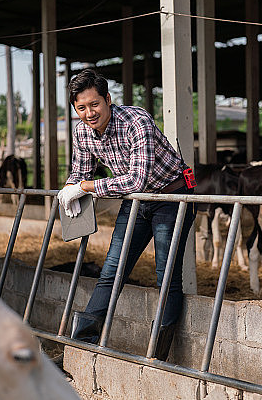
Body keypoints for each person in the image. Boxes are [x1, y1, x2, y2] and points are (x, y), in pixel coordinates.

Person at [57, 69, 195, 361]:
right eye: (81, 108)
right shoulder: (82, 131)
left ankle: (156, 358)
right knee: (111, 271)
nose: (89, 113)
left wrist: (86, 186)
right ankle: (82, 348)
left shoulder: (136, 121)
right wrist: (71, 186)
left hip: (171, 196)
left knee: (166, 275)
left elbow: (137, 180)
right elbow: (81, 172)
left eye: (94, 104)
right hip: (136, 201)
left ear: (107, 99)